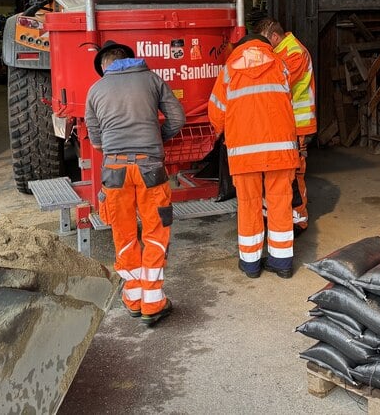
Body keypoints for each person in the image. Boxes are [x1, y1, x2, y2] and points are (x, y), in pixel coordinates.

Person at [85, 40, 186, 326]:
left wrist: (118, 150)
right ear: (127, 59)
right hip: (150, 166)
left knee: (124, 234)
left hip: (114, 171)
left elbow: (95, 140)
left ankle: (133, 299)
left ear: (105, 66)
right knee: (155, 231)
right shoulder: (152, 79)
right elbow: (177, 119)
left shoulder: (96, 90)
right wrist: (155, 139)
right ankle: (154, 303)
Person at [208, 34, 299, 278]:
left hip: (244, 154)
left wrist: (222, 131)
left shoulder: (229, 70)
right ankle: (282, 264)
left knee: (249, 206)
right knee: (280, 202)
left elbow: (216, 112)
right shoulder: (280, 64)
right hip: (280, 151)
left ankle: (250, 264)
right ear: (265, 45)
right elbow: (287, 99)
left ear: (241, 47)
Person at [255, 17, 316, 233]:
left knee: (294, 174)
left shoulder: (293, 53)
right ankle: (278, 215)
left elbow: (279, 82)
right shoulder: (282, 51)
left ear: (274, 36)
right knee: (279, 174)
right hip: (286, 124)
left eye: (265, 41)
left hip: (297, 125)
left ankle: (298, 219)